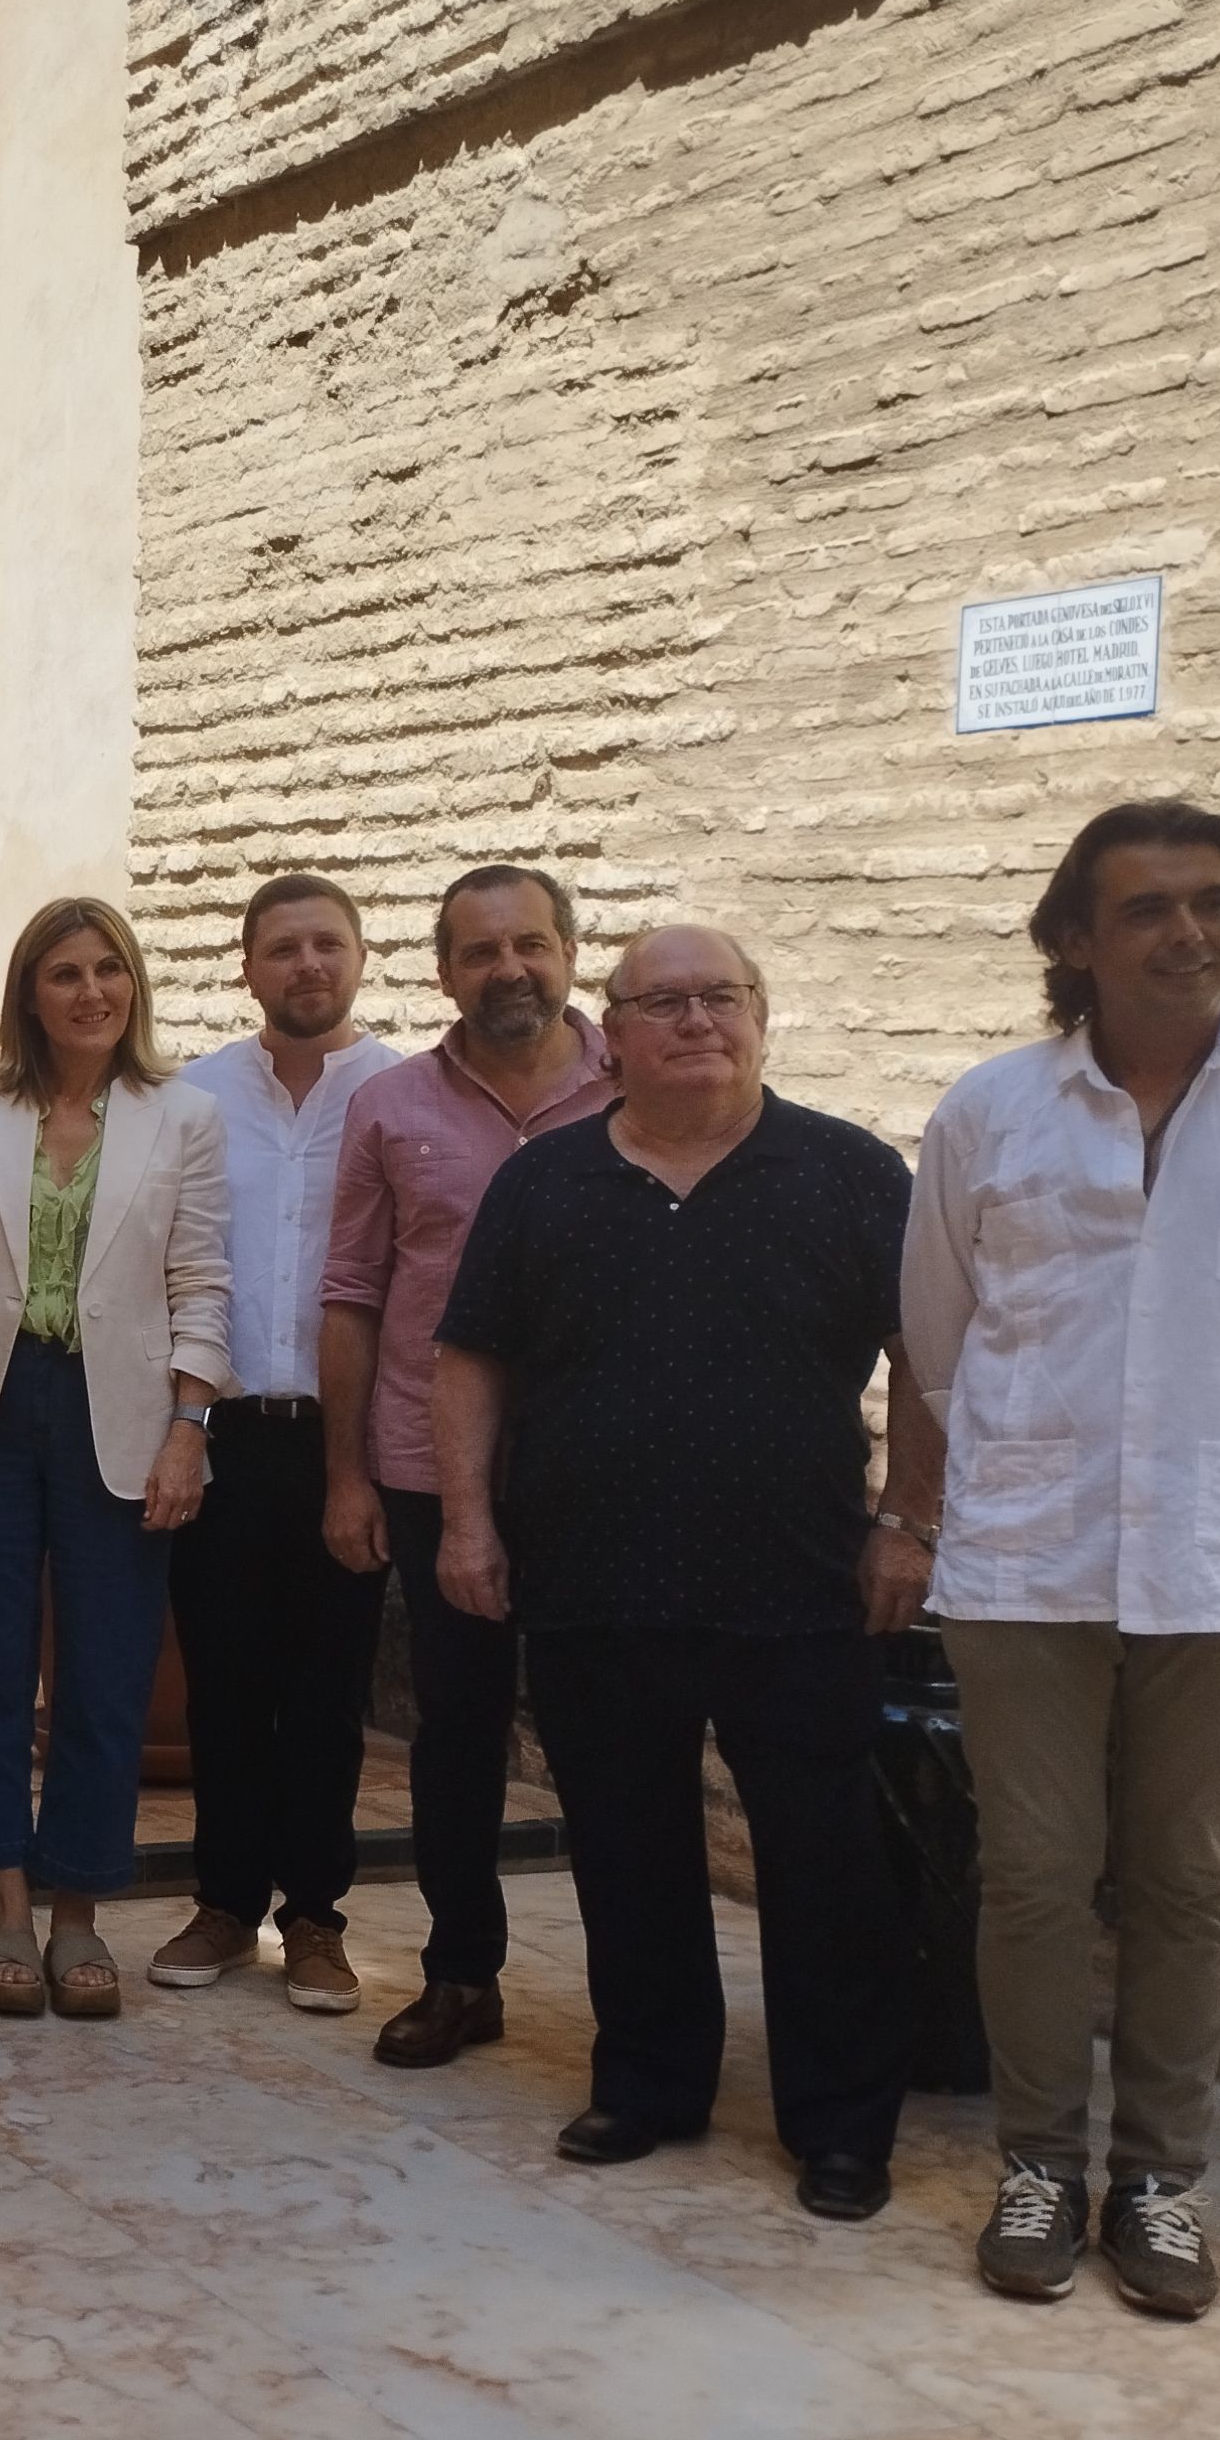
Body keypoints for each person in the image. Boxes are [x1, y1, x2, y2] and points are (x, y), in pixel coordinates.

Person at [908, 800, 1220, 2318]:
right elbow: (938, 1340)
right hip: (1030, 1553)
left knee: (1189, 1882)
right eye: (1149, 909)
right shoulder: (990, 1112)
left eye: (1215, 903)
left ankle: (1162, 2183)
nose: (1191, 932)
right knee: (1039, 1875)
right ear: (1075, 941)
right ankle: (1043, 2164)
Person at [431, 928, 930, 2218]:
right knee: (624, 1843)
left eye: (723, 998)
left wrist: (912, 1521)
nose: (697, 1022)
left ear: (763, 1017)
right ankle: (650, 2082)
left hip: (802, 1581)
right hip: (596, 1578)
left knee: (823, 1859)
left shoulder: (849, 1172)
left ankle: (840, 2123)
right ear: (615, 1029)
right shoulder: (545, 1185)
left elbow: (925, 1356)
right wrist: (469, 1524)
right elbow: (472, 1359)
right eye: (665, 1002)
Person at [0, 895, 228, 2020]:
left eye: (110, 971)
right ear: (28, 994)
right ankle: (1, 1909)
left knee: (107, 1668)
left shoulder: (181, 1116)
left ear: (132, 987)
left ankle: (80, 1914)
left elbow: (201, 1286)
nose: (91, 992)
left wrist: (190, 1428)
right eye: (65, 974)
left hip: (121, 1412)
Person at [318, 863, 613, 2068]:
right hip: (435, 1471)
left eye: (531, 946)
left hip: (605, 1474)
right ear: (442, 973)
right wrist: (346, 1476)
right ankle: (460, 1974)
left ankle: (634, 2000)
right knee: (456, 1732)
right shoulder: (389, 1106)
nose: (511, 972)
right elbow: (352, 1294)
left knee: (612, 1740)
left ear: (569, 952)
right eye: (482, 954)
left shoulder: (635, 1084)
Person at [150, 875, 402, 2013]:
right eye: (284, 948)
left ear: (359, 958)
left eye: (328, 946)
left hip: (352, 1443)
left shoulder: (404, 1095)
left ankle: (313, 1917)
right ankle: (221, 1901)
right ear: (248, 966)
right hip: (222, 1432)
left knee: (328, 1687)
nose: (309, 965)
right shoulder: (193, 1097)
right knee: (223, 1682)